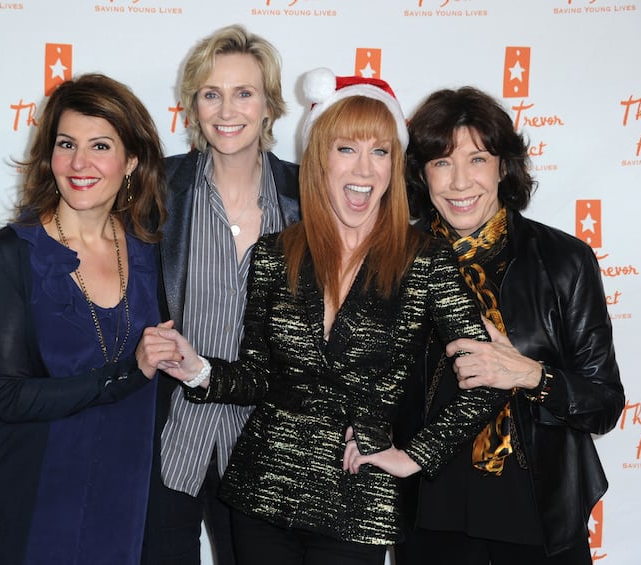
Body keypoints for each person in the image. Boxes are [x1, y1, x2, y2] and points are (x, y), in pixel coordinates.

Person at [139, 68, 509, 565]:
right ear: (318, 158)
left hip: (357, 501)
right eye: (346, 149)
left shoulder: (426, 260)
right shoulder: (275, 253)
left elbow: (489, 379)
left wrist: (415, 455)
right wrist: (197, 370)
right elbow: (258, 375)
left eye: (380, 151)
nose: (364, 169)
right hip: (261, 494)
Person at [392, 86, 625, 565]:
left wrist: (528, 374)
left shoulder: (564, 261)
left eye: (476, 160)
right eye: (441, 162)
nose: (459, 183)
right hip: (429, 514)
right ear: (421, 173)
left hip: (539, 513)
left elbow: (603, 403)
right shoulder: (394, 262)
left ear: (503, 166)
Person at [0, 73, 167, 565]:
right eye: (66, 144)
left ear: (130, 161)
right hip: (22, 495)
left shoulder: (154, 252)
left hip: (120, 494)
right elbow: (8, 394)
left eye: (100, 145)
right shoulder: (9, 253)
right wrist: (128, 374)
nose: (79, 163)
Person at [141, 24, 300, 565]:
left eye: (243, 93)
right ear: (193, 105)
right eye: (212, 93)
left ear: (269, 106)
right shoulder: (158, 190)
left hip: (268, 442)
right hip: (173, 435)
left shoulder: (305, 196)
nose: (226, 109)